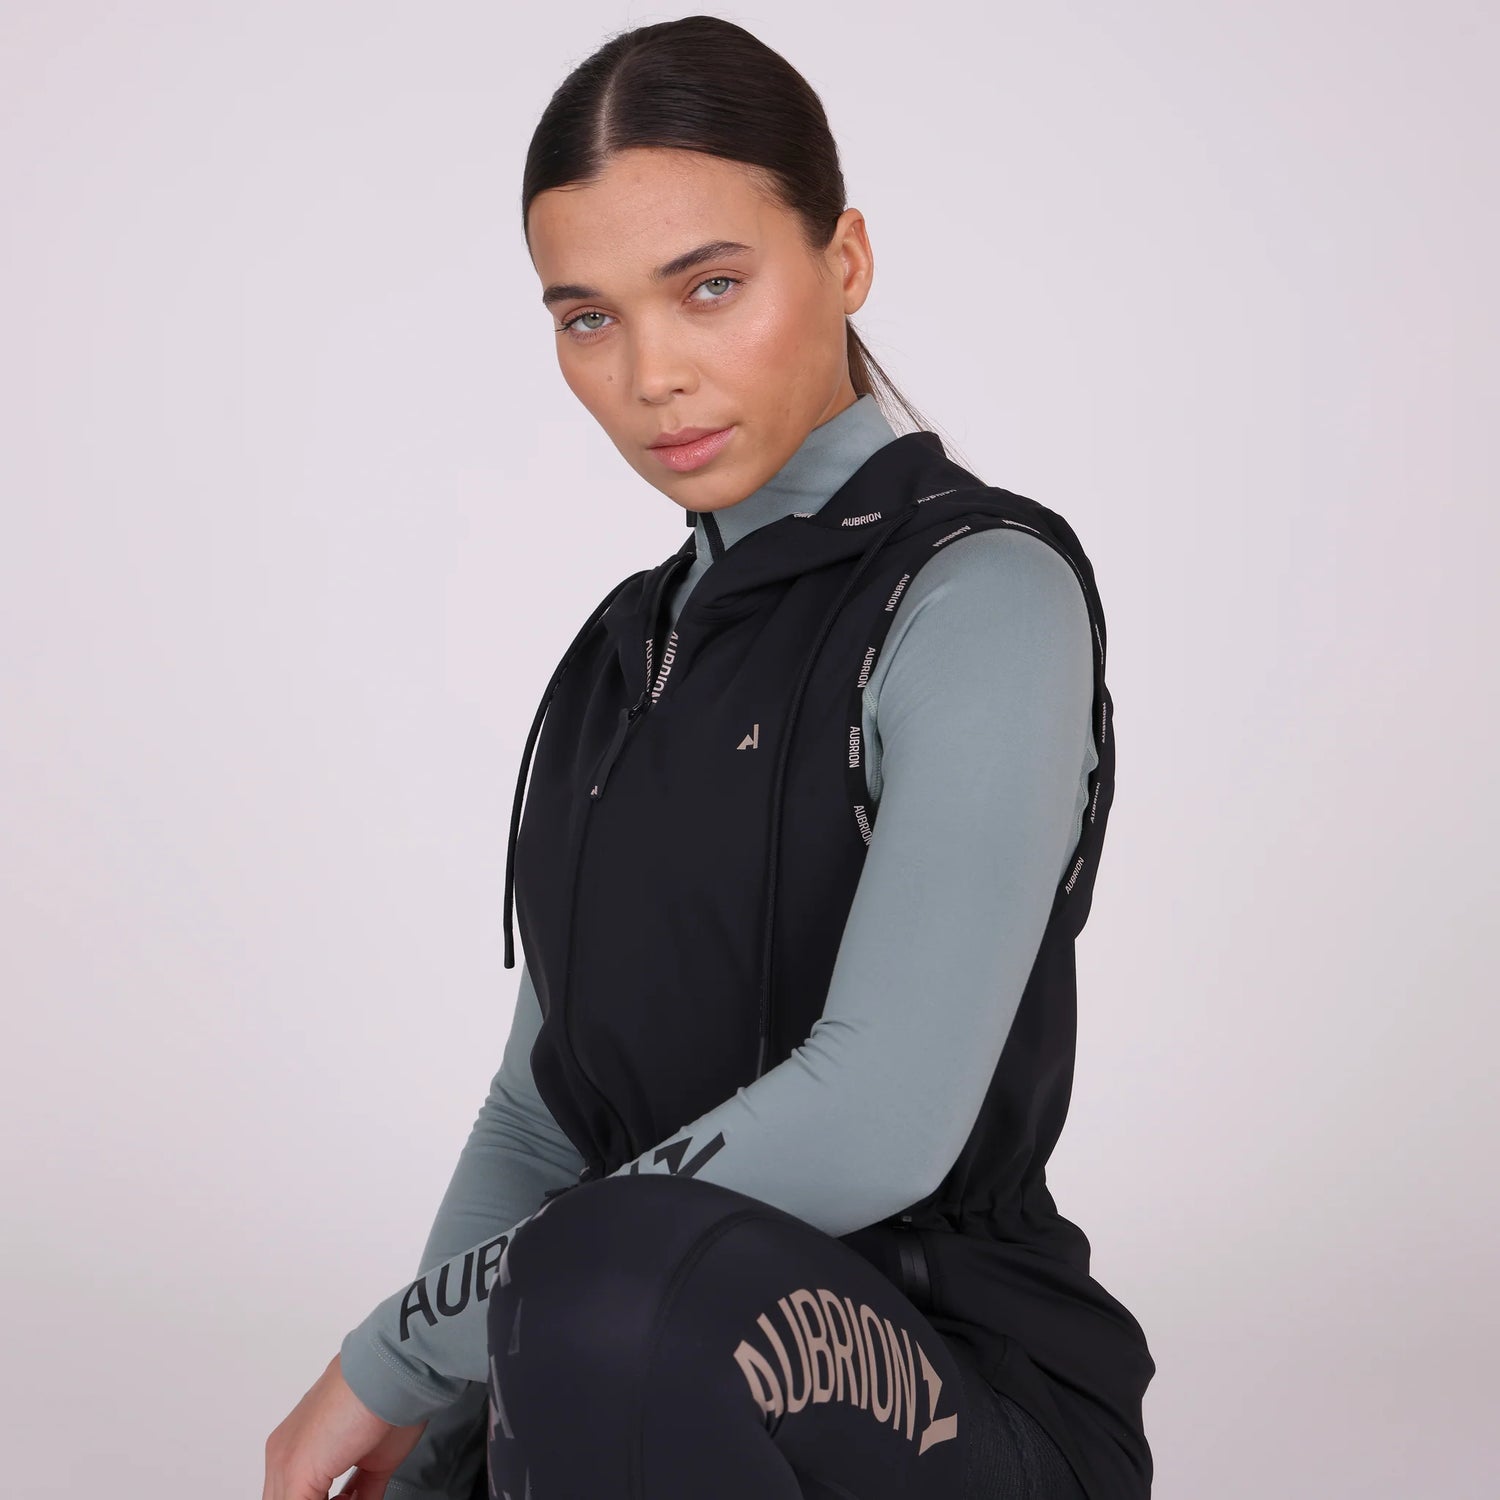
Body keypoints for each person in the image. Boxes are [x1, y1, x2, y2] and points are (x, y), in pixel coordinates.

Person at [262, 15, 1155, 1500]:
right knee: (556, 1337)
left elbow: (880, 1119)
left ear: (845, 259)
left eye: (710, 287)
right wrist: (436, 1420)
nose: (652, 373)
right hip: (620, 1368)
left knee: (613, 1286)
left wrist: (397, 1354)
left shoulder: (982, 597)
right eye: (588, 318)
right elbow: (540, 1108)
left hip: (954, 1396)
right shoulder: (622, 655)